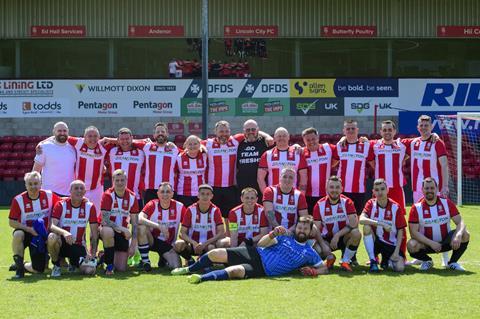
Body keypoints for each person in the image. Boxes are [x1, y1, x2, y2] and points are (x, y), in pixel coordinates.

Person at [171, 216, 328, 284]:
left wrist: (314, 272)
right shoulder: (285, 236)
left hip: (262, 269)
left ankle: (200, 278)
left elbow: (324, 268)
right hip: (253, 252)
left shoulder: (309, 252)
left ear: (310, 232)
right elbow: (261, 243)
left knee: (235, 271)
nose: (301, 230)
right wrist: (272, 233)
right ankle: (187, 269)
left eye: (305, 229)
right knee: (214, 254)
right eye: (300, 227)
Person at [407, 177, 470, 271]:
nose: (429, 191)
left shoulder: (446, 203)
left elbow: (460, 222)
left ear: (437, 189)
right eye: (427, 188)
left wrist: (458, 235)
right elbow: (413, 233)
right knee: (411, 245)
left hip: (446, 242)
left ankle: (452, 262)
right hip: (426, 244)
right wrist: (431, 243)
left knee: (465, 234)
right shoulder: (416, 207)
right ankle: (427, 260)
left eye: (432, 188)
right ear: (422, 190)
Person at [8, 172, 61, 278]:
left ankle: (25, 265)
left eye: (36, 183)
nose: (33, 187)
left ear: (41, 184)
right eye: (30, 184)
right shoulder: (18, 200)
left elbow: (63, 203)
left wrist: (82, 200)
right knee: (18, 234)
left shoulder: (49, 195)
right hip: (27, 233)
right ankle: (19, 270)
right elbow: (12, 222)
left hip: (44, 235)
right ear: (25, 185)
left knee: (39, 270)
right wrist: (28, 229)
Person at [47, 180, 99, 277]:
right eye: (76, 188)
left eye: (81, 188)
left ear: (84, 192)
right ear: (70, 191)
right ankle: (56, 265)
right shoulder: (61, 205)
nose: (79, 191)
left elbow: (94, 233)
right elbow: (52, 226)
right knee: (51, 237)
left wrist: (93, 254)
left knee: (89, 271)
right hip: (62, 243)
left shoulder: (89, 207)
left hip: (78, 246)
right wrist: (64, 233)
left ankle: (74, 264)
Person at [312, 176, 361, 272]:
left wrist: (338, 235)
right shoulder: (319, 205)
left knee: (356, 233)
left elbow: (354, 224)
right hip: (327, 240)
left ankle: (345, 261)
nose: (334, 190)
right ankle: (330, 257)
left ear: (342, 189)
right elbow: (316, 229)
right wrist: (322, 244)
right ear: (326, 188)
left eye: (337, 187)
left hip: (344, 237)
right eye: (331, 187)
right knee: (317, 250)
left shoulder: (347, 202)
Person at [359, 179, 406, 273]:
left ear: (387, 190)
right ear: (373, 192)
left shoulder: (395, 207)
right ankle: (373, 261)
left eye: (382, 189)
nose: (380, 192)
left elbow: (401, 231)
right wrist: (380, 224)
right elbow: (361, 220)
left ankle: (386, 260)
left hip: (391, 244)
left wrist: (396, 252)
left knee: (399, 268)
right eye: (377, 190)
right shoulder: (371, 204)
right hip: (377, 242)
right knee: (366, 227)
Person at [99, 169, 140, 275]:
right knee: (108, 231)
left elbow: (135, 222)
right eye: (117, 180)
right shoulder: (108, 195)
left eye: (122, 180)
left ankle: (103, 256)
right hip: (107, 229)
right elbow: (105, 220)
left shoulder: (132, 196)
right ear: (113, 180)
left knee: (121, 268)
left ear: (126, 180)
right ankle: (109, 266)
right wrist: (123, 229)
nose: (120, 183)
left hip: (122, 234)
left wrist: (133, 245)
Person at [138, 182, 186, 271]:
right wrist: (159, 226)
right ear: (158, 194)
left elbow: (187, 226)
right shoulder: (152, 204)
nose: (165, 194)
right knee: (141, 228)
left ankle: (163, 258)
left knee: (176, 266)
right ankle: (146, 262)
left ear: (172, 193)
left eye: (167, 192)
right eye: (162, 192)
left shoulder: (179, 206)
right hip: (152, 241)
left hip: (168, 244)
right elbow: (139, 218)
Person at [202, 120, 245, 219]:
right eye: (221, 131)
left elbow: (252, 131)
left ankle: (230, 234)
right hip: (213, 187)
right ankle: (215, 234)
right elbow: (192, 143)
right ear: (215, 132)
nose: (224, 134)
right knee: (212, 215)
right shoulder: (208, 143)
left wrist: (267, 137)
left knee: (231, 215)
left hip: (231, 187)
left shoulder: (235, 141)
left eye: (226, 131)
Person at [174, 184, 226, 263]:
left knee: (211, 247)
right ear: (198, 195)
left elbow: (221, 232)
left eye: (208, 194)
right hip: (193, 245)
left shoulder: (215, 210)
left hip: (208, 244)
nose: (205, 196)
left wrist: (205, 243)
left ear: (212, 196)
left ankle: (204, 262)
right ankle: (190, 260)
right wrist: (194, 243)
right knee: (178, 244)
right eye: (202, 194)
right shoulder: (190, 209)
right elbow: (182, 232)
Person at [333, 119, 373, 215]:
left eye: (353, 128)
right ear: (344, 131)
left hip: (359, 189)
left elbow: (374, 164)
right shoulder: (339, 145)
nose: (350, 130)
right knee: (341, 216)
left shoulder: (366, 145)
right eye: (348, 128)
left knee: (356, 216)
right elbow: (332, 164)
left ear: (357, 130)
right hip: (342, 189)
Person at [134, 122, 179, 204]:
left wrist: (201, 146)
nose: (160, 134)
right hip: (151, 190)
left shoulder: (174, 149)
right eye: (158, 132)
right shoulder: (147, 147)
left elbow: (190, 151)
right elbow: (127, 141)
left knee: (168, 216)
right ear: (154, 135)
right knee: (149, 216)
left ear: (167, 134)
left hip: (168, 190)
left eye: (162, 132)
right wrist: (107, 140)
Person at [258, 127, 307, 193]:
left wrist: (301, 195)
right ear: (274, 138)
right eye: (279, 136)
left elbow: (303, 177)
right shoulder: (267, 154)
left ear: (288, 137)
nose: (281, 138)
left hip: (293, 196)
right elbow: (260, 178)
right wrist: (266, 195)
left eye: (284, 136)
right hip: (273, 196)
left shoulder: (297, 153)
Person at [33, 121, 76, 197]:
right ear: (54, 132)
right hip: (49, 194)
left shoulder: (74, 147)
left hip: (69, 194)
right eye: (59, 131)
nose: (62, 133)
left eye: (64, 131)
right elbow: (35, 171)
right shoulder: (44, 147)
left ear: (68, 132)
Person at [301, 127, 338, 213]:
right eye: (308, 140)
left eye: (313, 139)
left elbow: (341, 150)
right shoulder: (301, 153)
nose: (311, 142)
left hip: (325, 194)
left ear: (318, 138)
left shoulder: (328, 148)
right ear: (304, 141)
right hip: (308, 195)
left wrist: (343, 138)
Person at [107, 128, 145, 205]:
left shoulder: (141, 153)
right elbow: (96, 143)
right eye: (122, 139)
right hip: (115, 197)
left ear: (132, 138)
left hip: (135, 197)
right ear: (117, 140)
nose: (124, 141)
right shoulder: (112, 151)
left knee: (136, 217)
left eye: (127, 139)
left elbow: (150, 143)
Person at [263, 168, 308, 232]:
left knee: (312, 226)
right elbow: (269, 214)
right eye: (285, 176)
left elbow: (304, 218)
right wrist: (279, 230)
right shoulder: (270, 191)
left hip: (292, 232)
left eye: (290, 177)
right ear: (280, 178)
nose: (287, 180)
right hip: (274, 232)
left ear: (294, 180)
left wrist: (289, 231)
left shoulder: (299, 195)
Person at [236, 119, 274, 196]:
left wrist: (295, 146)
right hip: (242, 188)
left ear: (258, 130)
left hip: (261, 186)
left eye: (253, 129)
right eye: (248, 130)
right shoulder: (238, 144)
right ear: (244, 131)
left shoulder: (265, 142)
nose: (250, 132)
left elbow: (282, 146)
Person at [174, 135, 208, 208]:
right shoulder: (179, 157)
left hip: (200, 194)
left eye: (195, 144)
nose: (193, 146)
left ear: (199, 144)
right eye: (190, 144)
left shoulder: (205, 155)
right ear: (186, 145)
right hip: (183, 193)